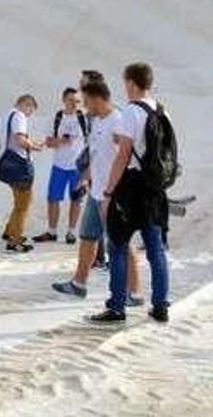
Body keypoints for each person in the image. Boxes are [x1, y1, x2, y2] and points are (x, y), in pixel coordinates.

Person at [90, 63, 171, 324]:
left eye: (126, 83)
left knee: (118, 246)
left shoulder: (131, 112)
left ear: (133, 83)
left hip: (130, 187)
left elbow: (123, 155)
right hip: (154, 188)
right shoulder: (162, 110)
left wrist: (108, 192)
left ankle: (116, 306)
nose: (124, 88)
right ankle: (160, 306)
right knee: (155, 249)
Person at [53, 79, 140, 299]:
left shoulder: (118, 120)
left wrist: (115, 190)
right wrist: (85, 177)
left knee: (121, 242)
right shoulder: (97, 122)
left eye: (86, 101)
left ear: (97, 99)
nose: (84, 107)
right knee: (87, 237)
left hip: (113, 194)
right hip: (95, 192)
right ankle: (78, 283)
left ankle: (135, 292)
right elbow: (97, 156)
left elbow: (129, 154)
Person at [36, 88, 87, 245]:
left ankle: (71, 232)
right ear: (64, 100)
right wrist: (62, 140)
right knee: (53, 199)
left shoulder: (84, 119)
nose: (74, 103)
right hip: (59, 166)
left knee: (76, 200)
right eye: (71, 100)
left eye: (77, 101)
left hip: (78, 167)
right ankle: (52, 232)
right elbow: (48, 142)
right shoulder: (56, 117)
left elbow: (91, 141)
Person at [1, 95, 46, 253]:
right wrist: (35, 147)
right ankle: (15, 240)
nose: (29, 114)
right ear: (25, 104)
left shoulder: (7, 115)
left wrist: (31, 143)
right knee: (24, 204)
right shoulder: (19, 116)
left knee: (19, 202)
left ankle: (9, 231)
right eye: (31, 110)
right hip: (19, 166)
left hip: (9, 165)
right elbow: (20, 140)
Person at [81, 70, 108, 271]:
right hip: (95, 177)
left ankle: (104, 256)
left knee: (114, 233)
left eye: (84, 85)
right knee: (90, 230)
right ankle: (96, 260)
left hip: (107, 182)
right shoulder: (94, 118)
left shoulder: (113, 118)